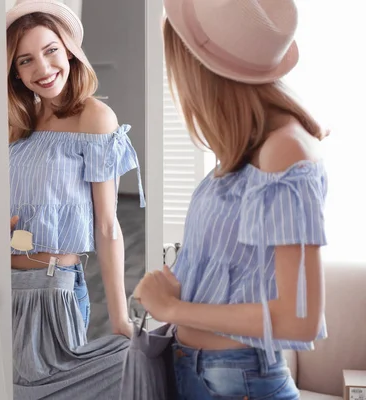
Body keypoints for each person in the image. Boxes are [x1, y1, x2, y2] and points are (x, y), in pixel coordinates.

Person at [134, 0, 329, 399]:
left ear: (201, 72)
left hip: (237, 383)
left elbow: (300, 319)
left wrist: (174, 309)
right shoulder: (247, 149)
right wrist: (177, 287)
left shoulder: (285, 151)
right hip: (203, 374)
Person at [5, 0, 145, 398]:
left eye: (51, 51)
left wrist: (119, 316)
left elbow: (107, 224)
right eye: (26, 60)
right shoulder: (18, 121)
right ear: (15, 72)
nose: (43, 69)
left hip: (54, 290)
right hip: (5, 288)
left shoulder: (95, 118)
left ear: (68, 50)